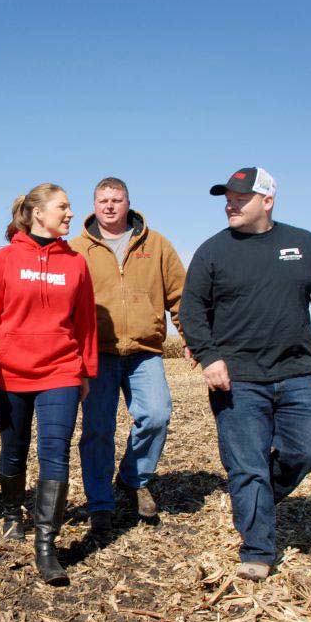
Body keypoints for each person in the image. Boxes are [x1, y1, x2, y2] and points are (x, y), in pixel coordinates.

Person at [182, 167, 311, 581]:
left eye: (240, 197)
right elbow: (192, 310)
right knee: (246, 465)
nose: (231, 203)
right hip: (238, 378)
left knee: (309, 449)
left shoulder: (303, 245)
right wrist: (209, 355)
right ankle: (258, 549)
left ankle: (259, 497)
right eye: (227, 197)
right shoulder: (213, 251)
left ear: (267, 201)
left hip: (297, 371)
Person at [0, 183, 98, 585]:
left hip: (60, 371)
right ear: (37, 213)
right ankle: (10, 512)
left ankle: (46, 546)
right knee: (15, 449)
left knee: (55, 453)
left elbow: (86, 323)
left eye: (70, 207)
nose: (71, 213)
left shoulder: (75, 264)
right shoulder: (4, 261)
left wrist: (85, 371)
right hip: (9, 372)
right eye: (63, 206)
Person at [69, 177, 186, 532]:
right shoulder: (76, 250)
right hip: (97, 354)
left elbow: (180, 295)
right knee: (97, 429)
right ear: (94, 205)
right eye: (103, 200)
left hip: (144, 351)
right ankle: (100, 502)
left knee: (156, 415)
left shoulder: (157, 245)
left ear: (128, 203)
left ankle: (134, 478)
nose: (109, 206)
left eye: (116, 200)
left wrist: (193, 337)